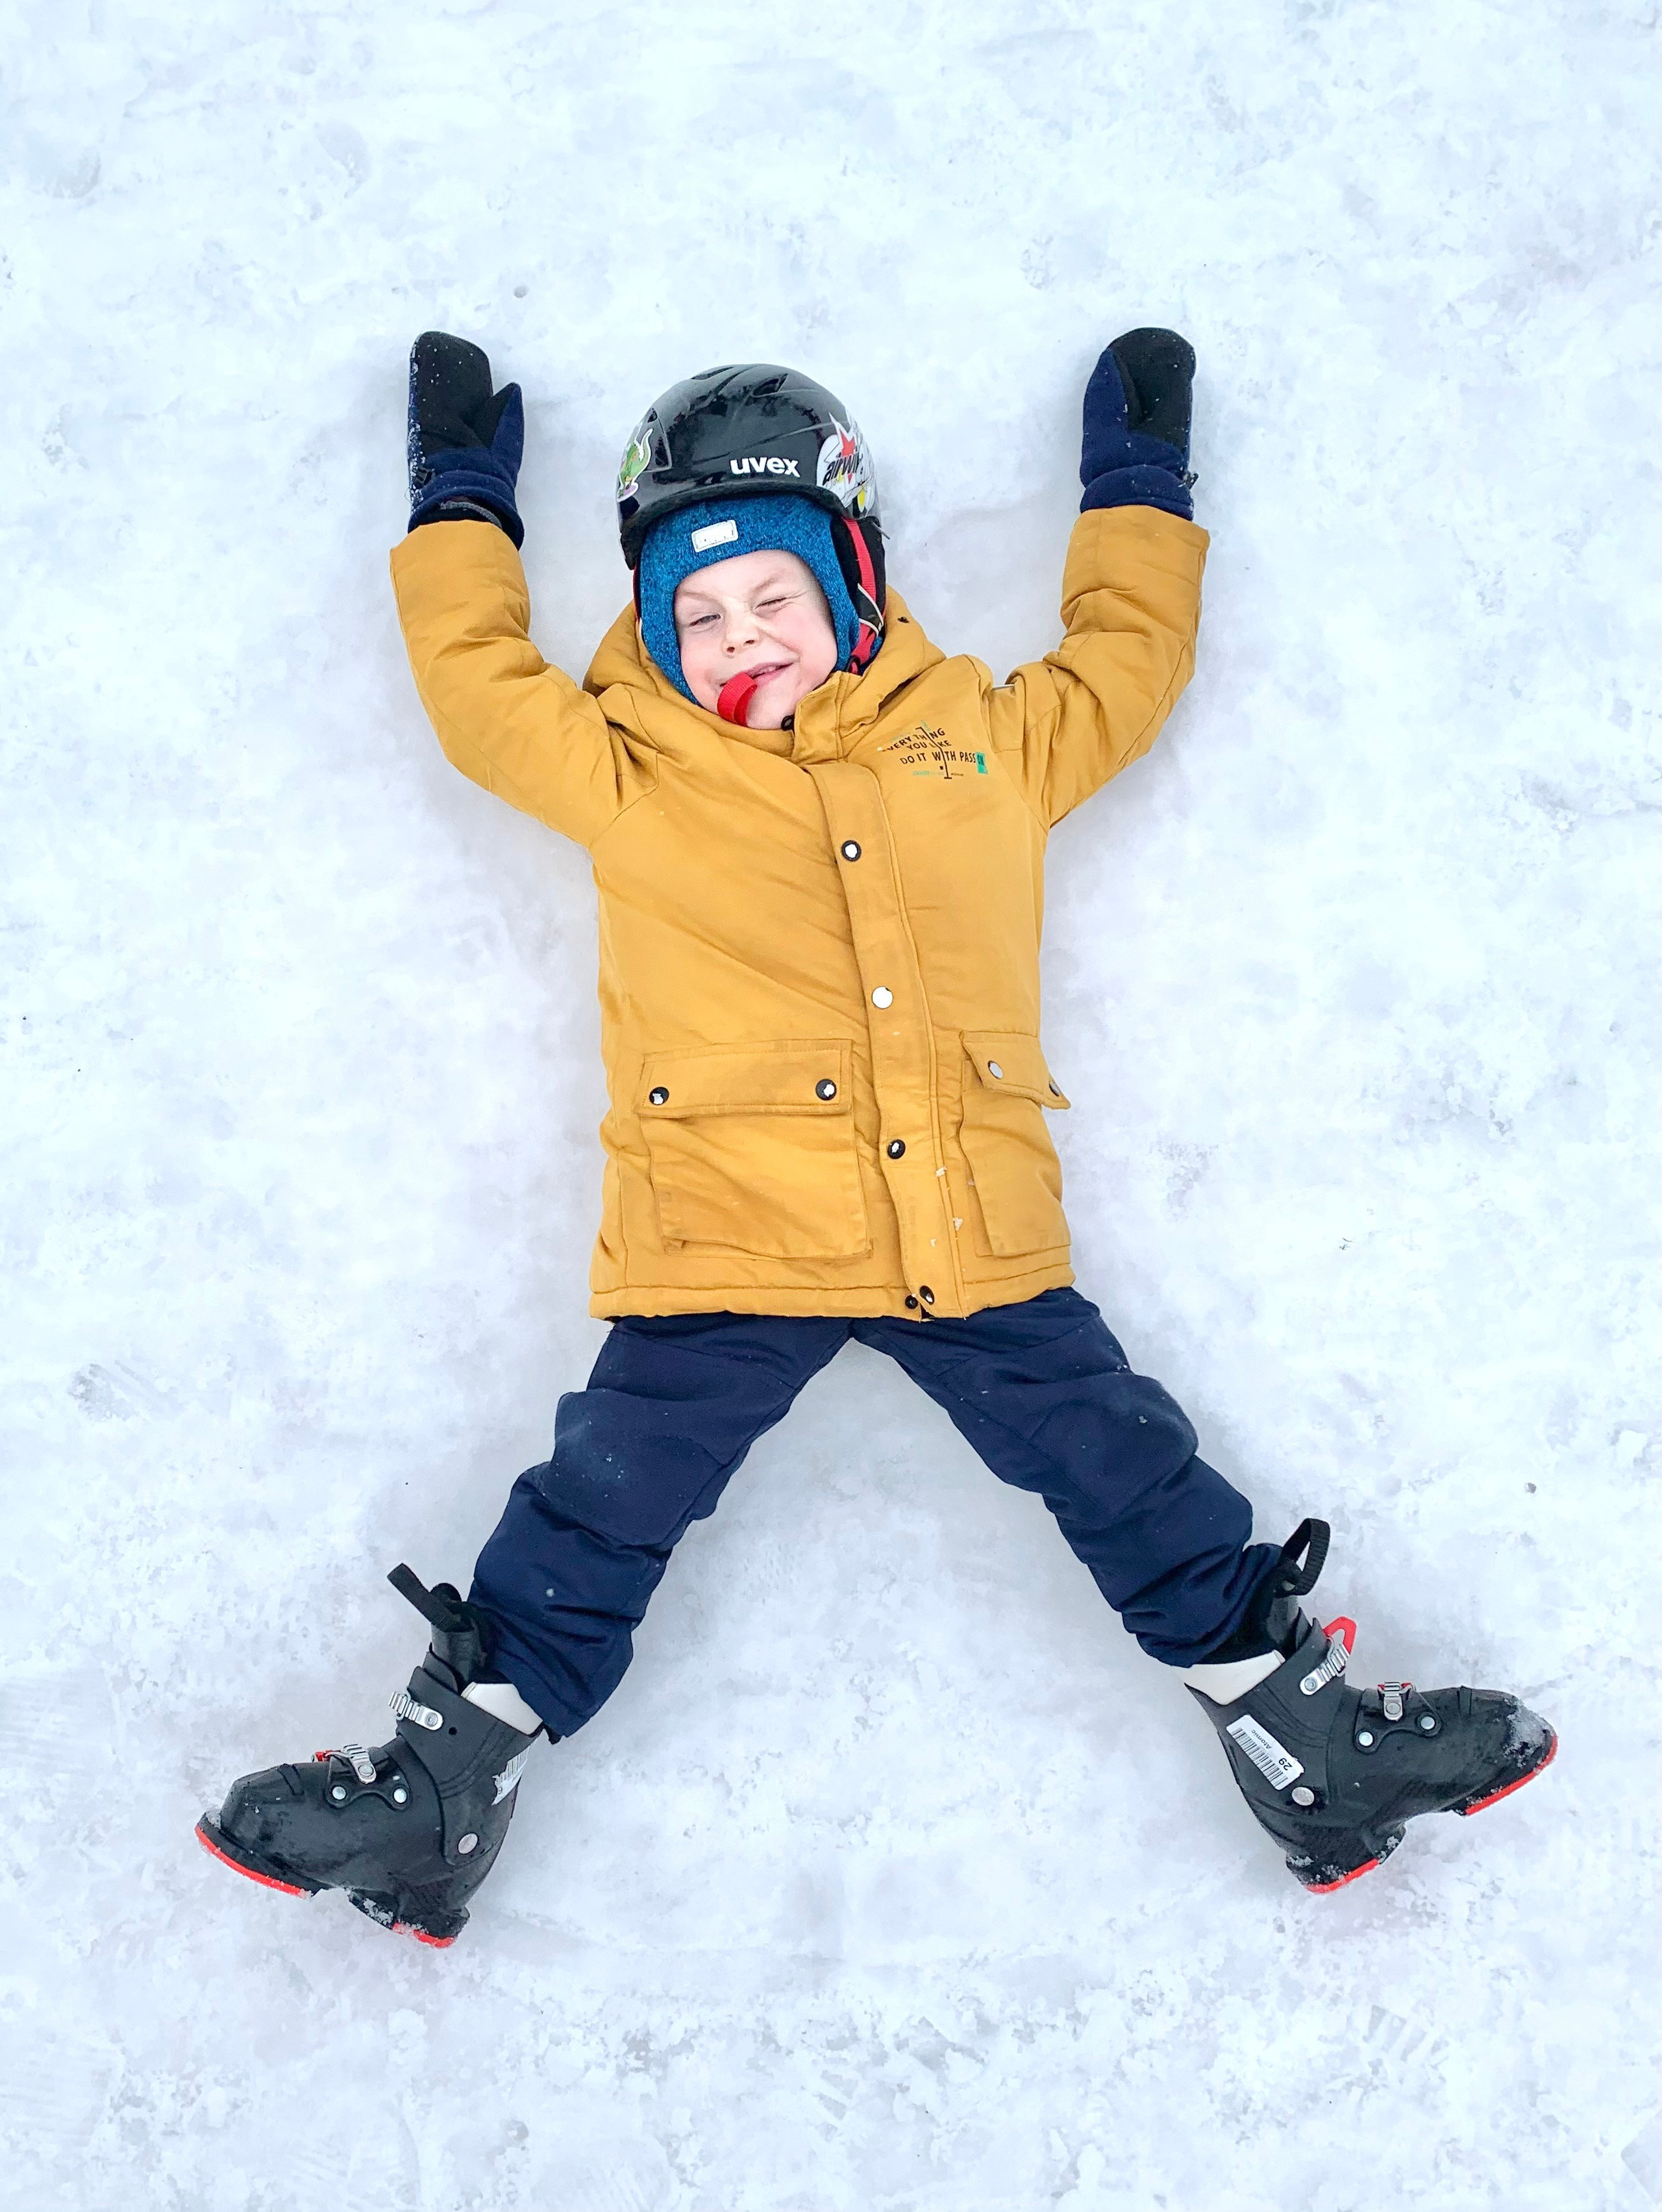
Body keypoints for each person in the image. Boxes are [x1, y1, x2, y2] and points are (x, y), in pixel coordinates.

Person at [195, 334, 1555, 1948]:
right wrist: (459, 510)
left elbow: (1122, 668)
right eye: (696, 616)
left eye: (769, 596)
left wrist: (1137, 495)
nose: (737, 639)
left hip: (964, 1238)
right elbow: (479, 692)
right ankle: (440, 1796)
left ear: (852, 579)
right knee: (596, 1508)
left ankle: (1306, 1752)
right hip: (727, 1236)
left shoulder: (977, 742)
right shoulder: (630, 766)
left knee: (1129, 1471)